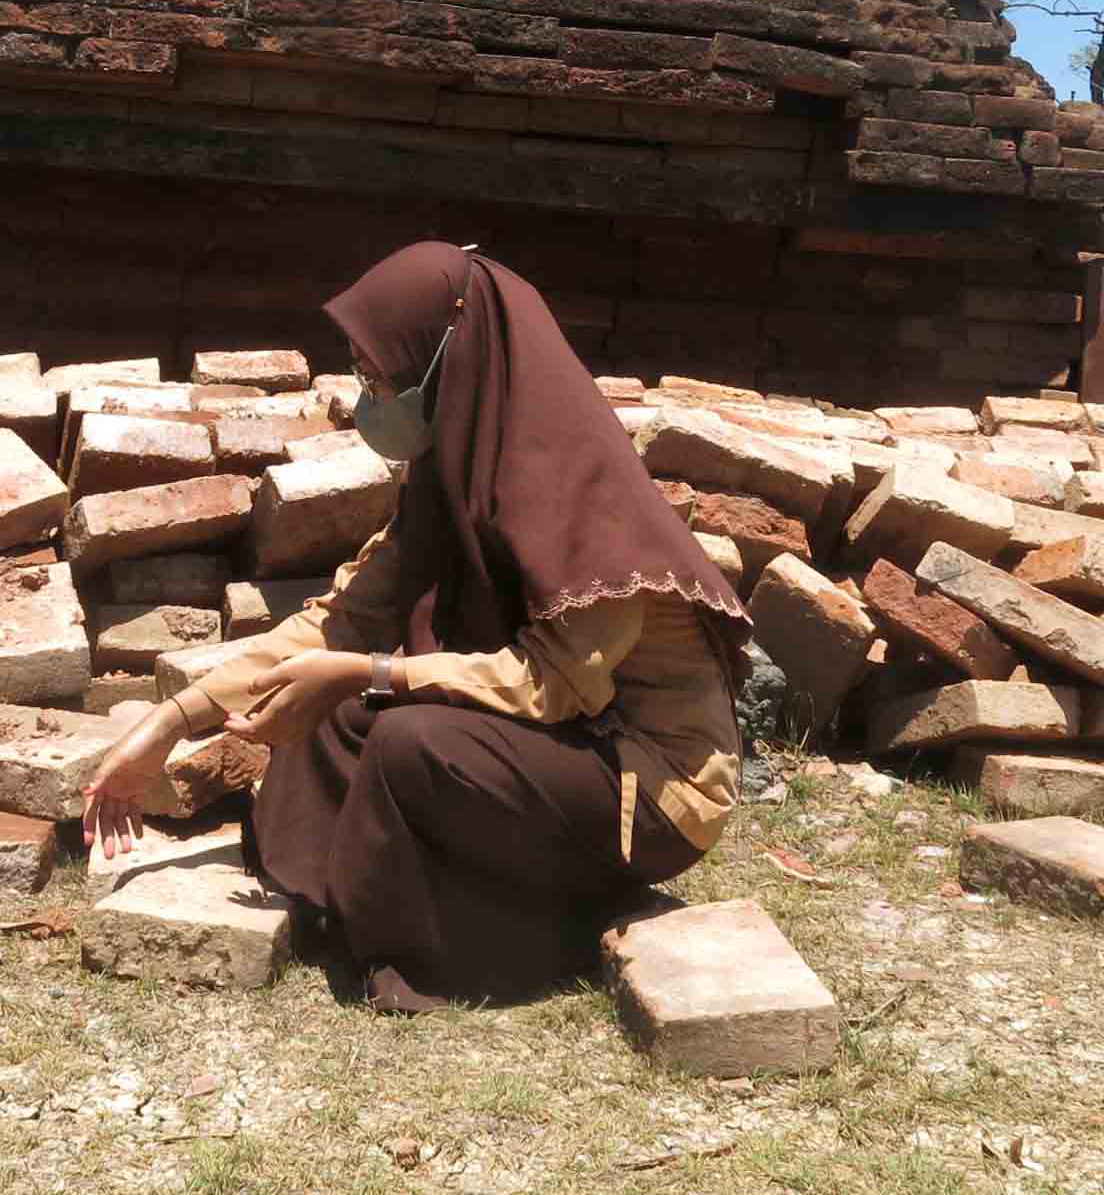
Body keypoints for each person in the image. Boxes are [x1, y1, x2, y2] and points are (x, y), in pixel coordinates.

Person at [84, 241, 748, 1012]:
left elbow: (552, 685)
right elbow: (340, 623)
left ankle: (486, 946)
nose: (368, 396)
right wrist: (174, 720)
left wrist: (373, 673)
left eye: (381, 377)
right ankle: (337, 904)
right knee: (332, 716)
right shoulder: (451, 480)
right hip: (561, 749)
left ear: (451, 363)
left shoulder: (579, 494)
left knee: (410, 743)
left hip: (648, 789)